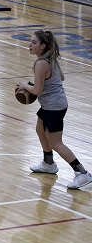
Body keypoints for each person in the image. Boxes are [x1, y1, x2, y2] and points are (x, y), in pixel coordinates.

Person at [17, 30, 89, 189]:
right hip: (54, 103)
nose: (30, 44)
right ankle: (48, 163)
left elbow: (37, 91)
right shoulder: (50, 59)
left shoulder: (41, 63)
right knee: (40, 129)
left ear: (43, 46)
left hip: (53, 106)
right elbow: (61, 78)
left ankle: (82, 173)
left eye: (34, 42)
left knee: (56, 143)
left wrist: (24, 86)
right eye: (31, 41)